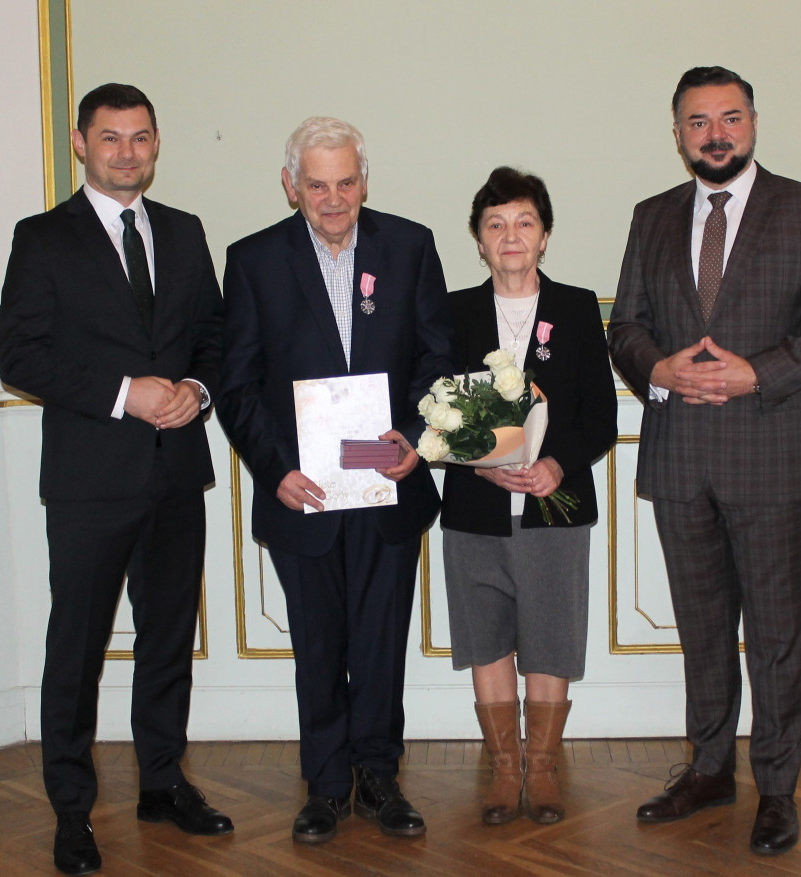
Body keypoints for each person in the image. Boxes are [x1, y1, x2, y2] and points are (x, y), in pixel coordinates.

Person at [608, 66, 801, 855]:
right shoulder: (651, 217)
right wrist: (660, 369)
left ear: (753, 123)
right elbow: (625, 328)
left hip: (773, 455)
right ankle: (710, 767)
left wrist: (760, 370)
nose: (714, 133)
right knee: (704, 629)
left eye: (729, 118)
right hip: (681, 457)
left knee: (779, 633)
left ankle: (777, 787)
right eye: (697, 122)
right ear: (678, 133)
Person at [0, 83, 231, 876]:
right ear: (80, 143)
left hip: (175, 474)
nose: (126, 152)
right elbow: (20, 355)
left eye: (140, 138)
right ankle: (71, 808)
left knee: (168, 641)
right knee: (78, 647)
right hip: (90, 480)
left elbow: (214, 337)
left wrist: (197, 391)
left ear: (157, 143)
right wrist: (127, 394)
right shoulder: (43, 238)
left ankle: (162, 781)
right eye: (110, 138)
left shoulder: (186, 231)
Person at [215, 117, 453, 845]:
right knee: (319, 643)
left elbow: (437, 357)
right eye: (317, 184)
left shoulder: (409, 246)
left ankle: (379, 776)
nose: (333, 197)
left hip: (387, 486)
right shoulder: (253, 260)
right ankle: (324, 785)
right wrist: (275, 468)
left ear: (364, 180)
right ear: (292, 186)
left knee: (381, 639)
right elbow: (238, 383)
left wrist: (414, 439)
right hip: (305, 492)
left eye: (346, 181)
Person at [440, 167, 617, 825]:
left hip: (555, 505)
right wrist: (479, 464)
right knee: (487, 638)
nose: (510, 236)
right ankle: (503, 769)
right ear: (479, 241)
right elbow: (436, 410)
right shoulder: (453, 311)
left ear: (544, 236)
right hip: (474, 508)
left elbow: (600, 415)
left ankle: (541, 770)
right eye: (495, 225)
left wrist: (558, 466)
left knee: (550, 635)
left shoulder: (575, 307)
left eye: (523, 223)